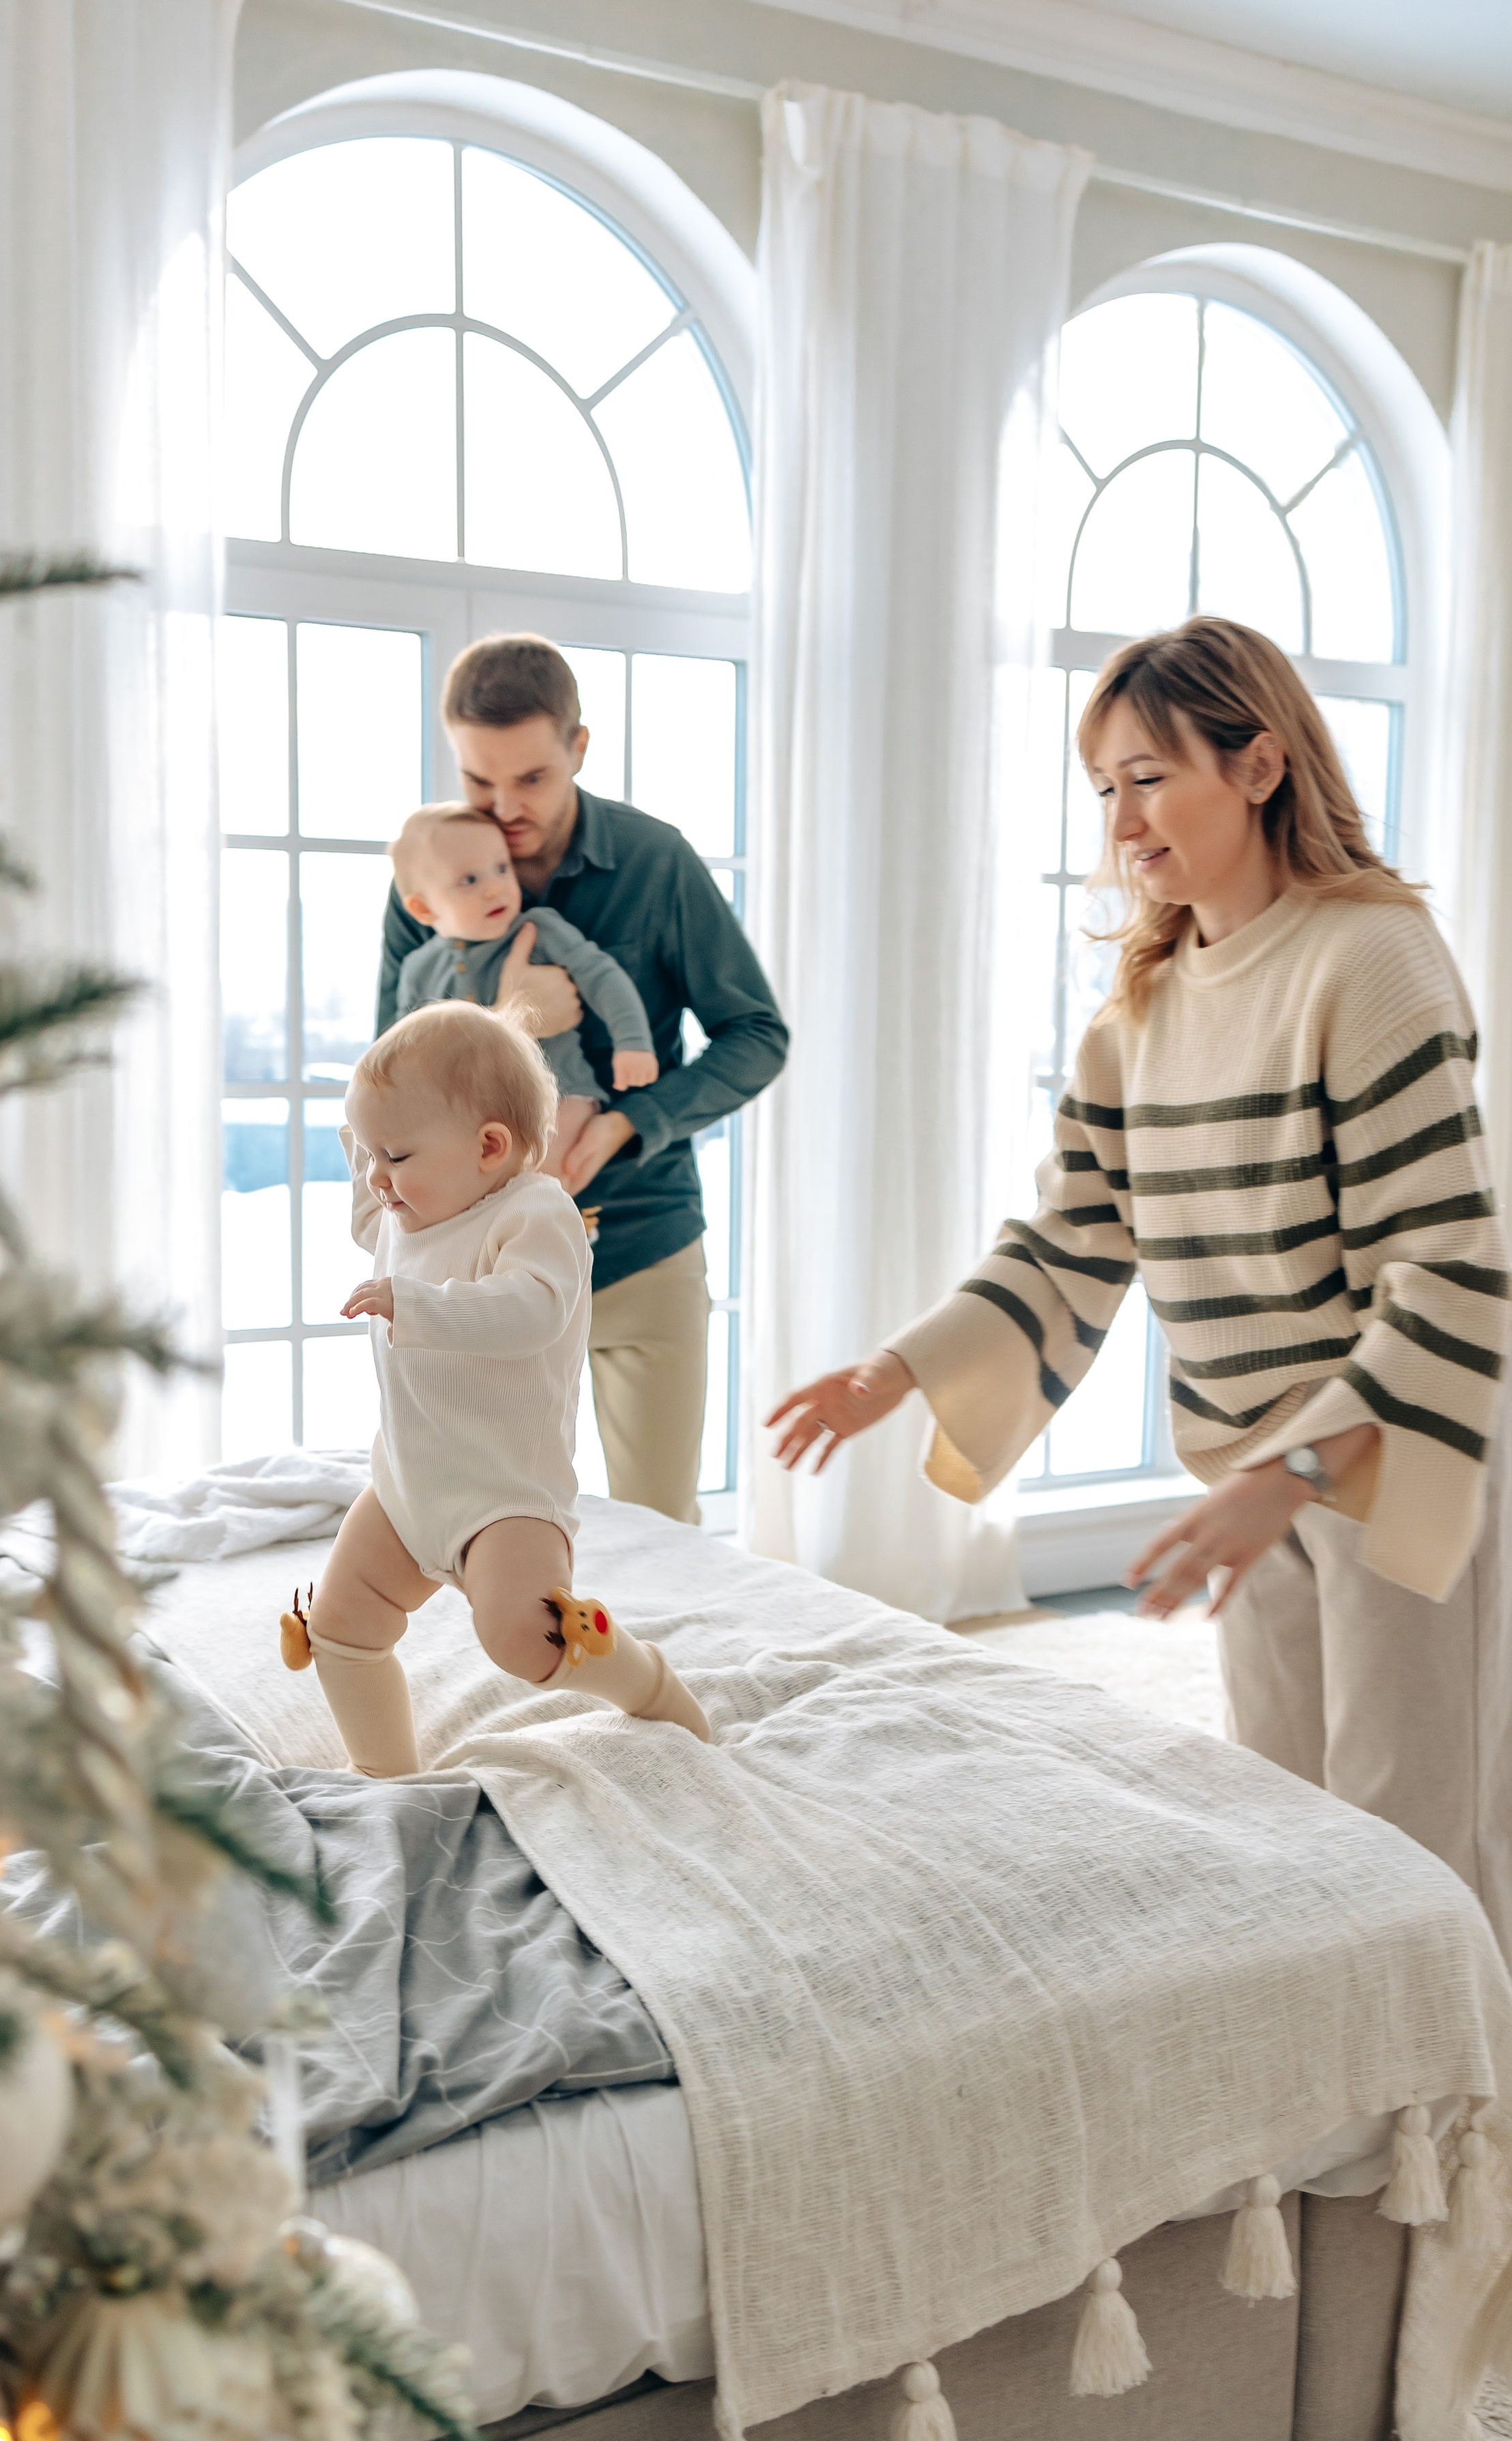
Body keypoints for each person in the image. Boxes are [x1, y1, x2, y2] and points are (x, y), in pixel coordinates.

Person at [769, 616, 1512, 1943]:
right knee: (1289, 1817)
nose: (1120, 822)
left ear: (1259, 766)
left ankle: (1451, 2146)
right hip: (1242, 1472)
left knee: (1414, 1828)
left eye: (1148, 777)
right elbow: (1070, 1234)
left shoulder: (1373, 958)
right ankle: (1334, 2128)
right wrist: (901, 1364)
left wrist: (1283, 1475)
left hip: (1386, 1452)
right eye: (1102, 787)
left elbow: (1446, 1270)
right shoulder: (1141, 1007)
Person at [377, 634, 788, 1526]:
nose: (502, 809)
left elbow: (756, 1034)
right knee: (473, 1526)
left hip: (643, 1243)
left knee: (662, 1528)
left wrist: (627, 1124)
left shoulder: (656, 862)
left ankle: (652, 1673)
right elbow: (392, 1075)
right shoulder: (427, 873)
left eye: (530, 779)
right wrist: (513, 1024)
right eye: (479, 780)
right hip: (477, 1267)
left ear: (579, 748)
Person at [280, 999, 710, 1774]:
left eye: (399, 1156)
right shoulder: (403, 1213)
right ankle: (387, 1778)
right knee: (340, 1628)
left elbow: (531, 1311)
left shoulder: (534, 1210)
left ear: (489, 1147)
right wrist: (369, 1135)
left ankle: (648, 1685)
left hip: (504, 1498)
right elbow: (367, 1196)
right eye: (373, 1158)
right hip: (409, 1488)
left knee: (525, 1636)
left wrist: (419, 1305)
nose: (380, 1180)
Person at [388, 800, 658, 1185]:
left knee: (543, 1185)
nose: (495, 888)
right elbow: (405, 1051)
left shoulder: (538, 930)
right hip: (474, 1119)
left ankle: (558, 1234)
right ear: (424, 909)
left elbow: (602, 976)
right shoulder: (420, 968)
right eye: (469, 880)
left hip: (560, 1096)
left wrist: (632, 1041)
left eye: (501, 868)